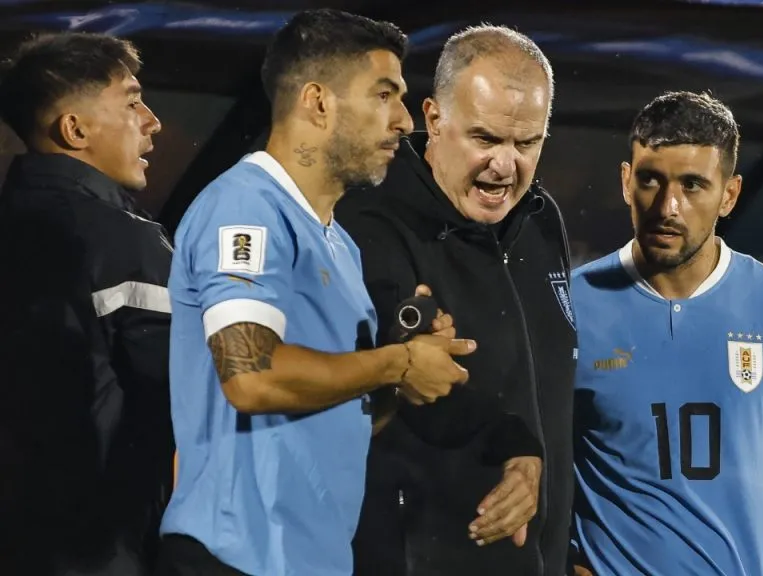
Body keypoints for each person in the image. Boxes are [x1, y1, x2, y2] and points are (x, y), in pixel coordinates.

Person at [155, 10, 474, 576]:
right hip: (231, 556)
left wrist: (402, 379)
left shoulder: (341, 246)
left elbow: (342, 413)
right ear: (318, 102)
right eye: (385, 94)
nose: (404, 119)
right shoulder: (246, 208)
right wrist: (397, 361)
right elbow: (251, 376)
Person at [569, 91, 763, 576]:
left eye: (693, 186)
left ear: (729, 195)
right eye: (650, 180)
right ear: (626, 182)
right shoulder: (572, 306)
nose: (668, 206)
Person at [335, 25, 577, 576]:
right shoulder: (370, 223)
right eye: (486, 139)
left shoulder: (542, 221)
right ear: (433, 118)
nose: (505, 166)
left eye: (526, 144)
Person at [0, 32, 172, 575]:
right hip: (98, 547)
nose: (152, 120)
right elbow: (193, 392)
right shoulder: (123, 241)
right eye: (131, 101)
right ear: (74, 129)